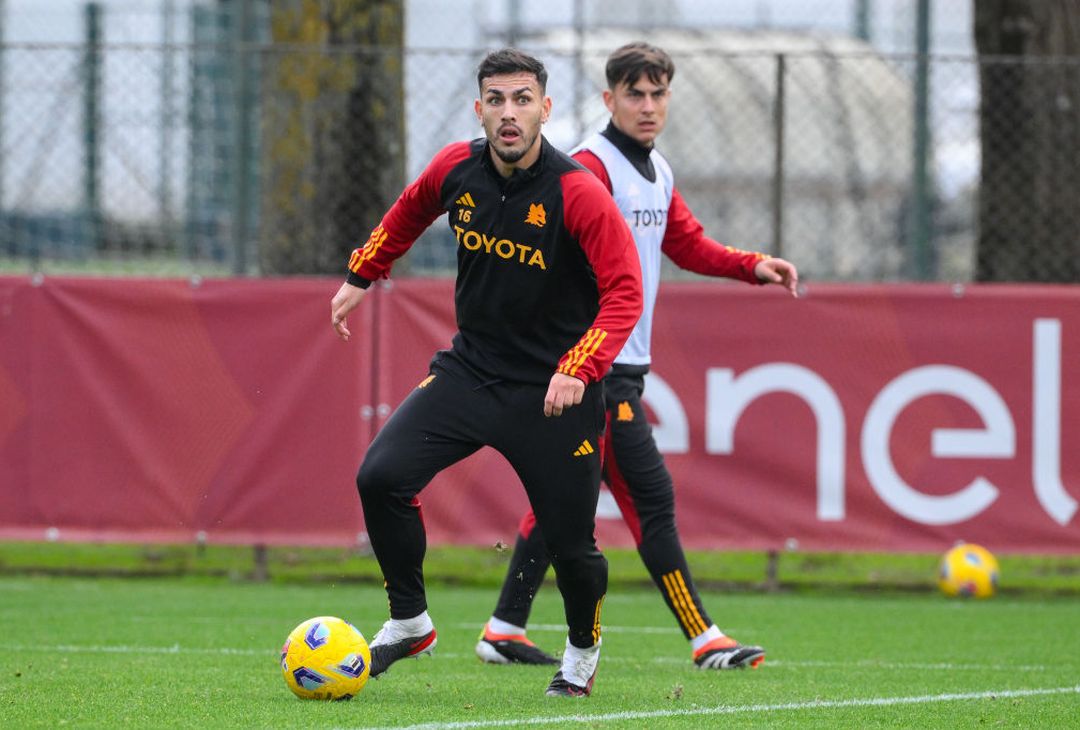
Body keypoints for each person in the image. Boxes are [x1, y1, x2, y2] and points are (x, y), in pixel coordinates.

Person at [474, 42, 799, 672]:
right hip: (597, 368)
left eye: (658, 94)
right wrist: (568, 350)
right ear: (609, 99)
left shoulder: (657, 170)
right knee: (650, 497)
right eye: (634, 94)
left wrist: (751, 265)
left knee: (562, 499)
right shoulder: (590, 167)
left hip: (614, 367)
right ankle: (705, 639)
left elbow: (686, 242)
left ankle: (504, 628)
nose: (647, 106)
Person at [330, 49, 643, 698]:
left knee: (572, 546)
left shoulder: (577, 193)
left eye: (522, 100)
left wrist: (579, 368)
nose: (509, 113)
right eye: (496, 100)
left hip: (555, 393)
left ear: (545, 109)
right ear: (479, 109)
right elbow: (408, 211)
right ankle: (410, 622)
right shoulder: (456, 167)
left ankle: (581, 655)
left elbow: (625, 293)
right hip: (471, 371)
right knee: (380, 477)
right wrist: (363, 273)